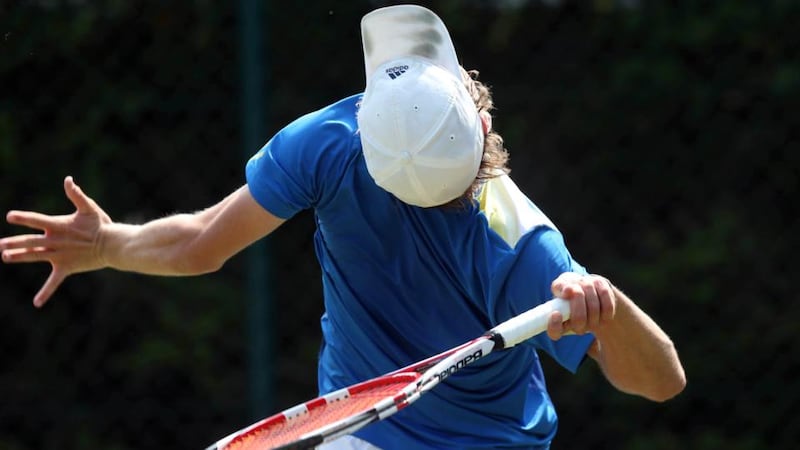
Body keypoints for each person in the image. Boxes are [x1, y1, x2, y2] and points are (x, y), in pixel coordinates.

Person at [0, 5, 685, 450]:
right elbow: (663, 384)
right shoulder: (523, 243)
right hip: (368, 434)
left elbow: (198, 245)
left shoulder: (333, 143)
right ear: (481, 122)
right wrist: (614, 313)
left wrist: (108, 243)